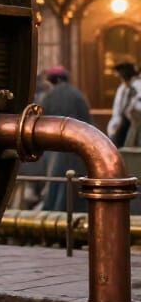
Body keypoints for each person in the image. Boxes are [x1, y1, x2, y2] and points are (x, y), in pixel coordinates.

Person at [40, 66, 92, 211]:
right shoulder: (78, 94)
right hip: (77, 145)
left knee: (56, 181)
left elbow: (42, 120)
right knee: (72, 180)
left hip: (54, 145)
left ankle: (54, 211)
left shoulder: (49, 96)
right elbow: (88, 121)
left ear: (55, 80)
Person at [108, 62, 141, 148]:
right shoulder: (123, 88)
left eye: (119, 76)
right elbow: (118, 109)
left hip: (132, 124)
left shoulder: (136, 86)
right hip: (123, 123)